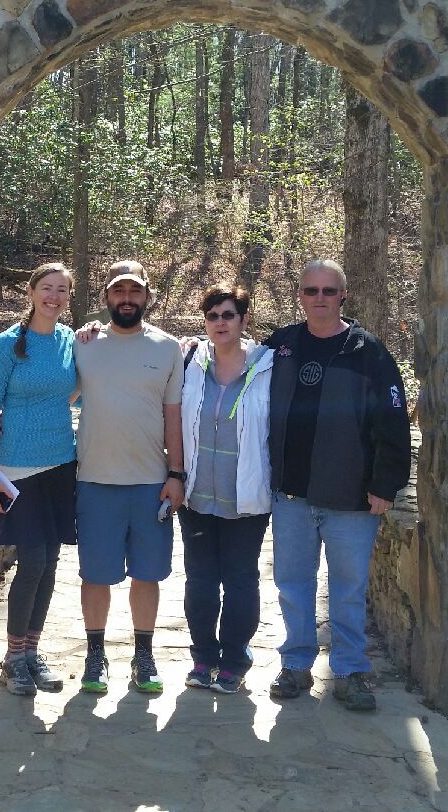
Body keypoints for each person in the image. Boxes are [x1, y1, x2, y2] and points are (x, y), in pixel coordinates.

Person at [266, 259, 410, 712]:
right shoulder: (281, 347)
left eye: (329, 291)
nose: (320, 298)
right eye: (311, 290)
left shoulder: (368, 353)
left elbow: (394, 424)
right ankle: (296, 664)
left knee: (348, 590)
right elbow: (231, 373)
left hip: (349, 497)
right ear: (301, 295)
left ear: (343, 296)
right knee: (292, 584)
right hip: (290, 494)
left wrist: (385, 485)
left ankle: (350, 672)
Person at [73, 260, 186, 694]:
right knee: (96, 575)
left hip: (149, 483)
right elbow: (54, 392)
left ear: (146, 296)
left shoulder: (167, 347)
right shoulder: (84, 344)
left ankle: (144, 656)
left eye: (134, 292)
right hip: (96, 481)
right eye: (118, 292)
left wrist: (176, 474)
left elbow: (172, 417)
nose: (126, 299)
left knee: (148, 574)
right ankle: (96, 656)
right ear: (106, 297)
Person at [0, 262, 79, 696]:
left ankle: (31, 653)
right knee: (33, 561)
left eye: (62, 291)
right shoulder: (7, 346)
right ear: (32, 291)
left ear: (69, 297)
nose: (53, 297)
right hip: (18, 470)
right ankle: (12, 659)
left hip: (61, 463)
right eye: (47, 288)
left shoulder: (70, 340)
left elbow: (72, 390)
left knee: (51, 564)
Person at [176, 285, 274, 696]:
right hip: (197, 497)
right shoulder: (189, 362)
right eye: (213, 315)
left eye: (228, 315)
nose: (220, 322)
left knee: (239, 581)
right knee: (199, 581)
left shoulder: (269, 368)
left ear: (244, 320)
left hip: (246, 500)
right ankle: (203, 657)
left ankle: (234, 660)